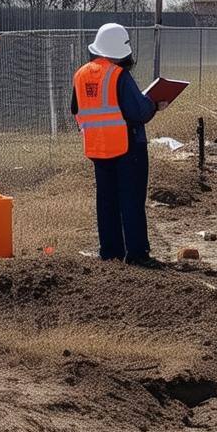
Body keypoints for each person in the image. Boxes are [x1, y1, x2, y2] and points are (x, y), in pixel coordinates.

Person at [71, 23, 168, 266]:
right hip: (128, 147)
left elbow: (76, 109)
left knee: (106, 201)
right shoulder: (118, 75)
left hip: (97, 148)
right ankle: (136, 254)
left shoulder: (81, 74)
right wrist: (155, 104)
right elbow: (139, 111)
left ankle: (110, 252)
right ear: (121, 50)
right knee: (131, 200)